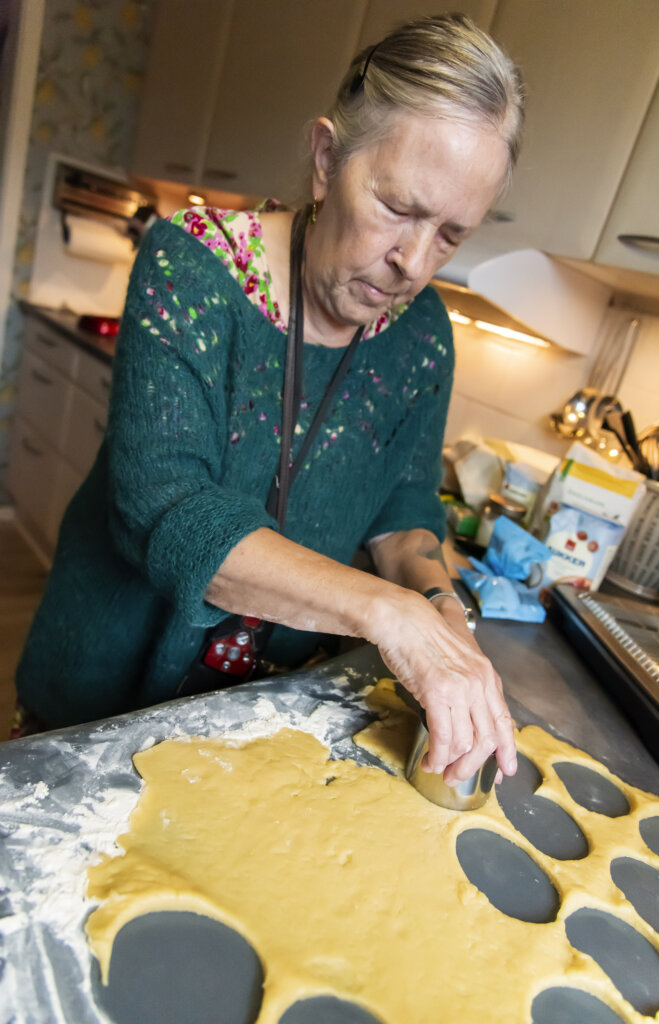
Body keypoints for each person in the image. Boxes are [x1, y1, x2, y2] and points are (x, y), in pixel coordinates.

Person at [16, 12, 523, 786]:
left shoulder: (422, 335)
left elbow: (403, 510)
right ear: (325, 160)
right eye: (397, 208)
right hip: (100, 697)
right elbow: (169, 510)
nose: (411, 264)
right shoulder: (191, 267)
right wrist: (391, 617)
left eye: (451, 234)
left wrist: (446, 620)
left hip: (259, 714)